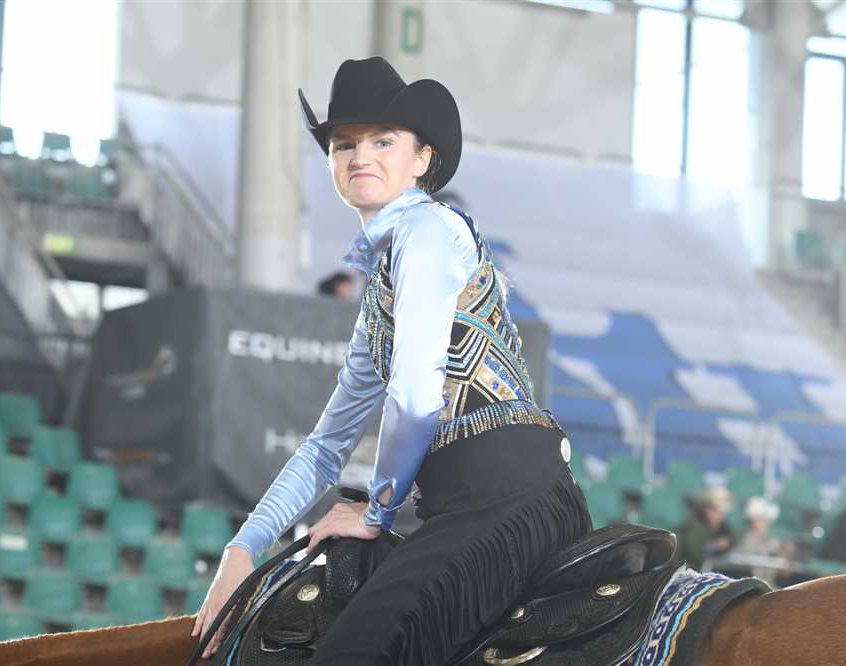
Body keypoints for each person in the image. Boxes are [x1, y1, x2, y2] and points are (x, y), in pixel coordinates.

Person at [191, 56, 591, 664]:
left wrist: (376, 512)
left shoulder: (427, 230)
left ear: (422, 159)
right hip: (466, 505)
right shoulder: (380, 298)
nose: (360, 156)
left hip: (503, 496)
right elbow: (325, 449)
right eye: (344, 144)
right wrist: (242, 549)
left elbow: (414, 394)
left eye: (383, 141)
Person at [676, 485, 737, 571]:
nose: (717, 514)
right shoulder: (695, 526)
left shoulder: (724, 527)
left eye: (720, 511)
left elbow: (733, 540)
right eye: (712, 509)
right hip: (690, 571)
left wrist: (727, 544)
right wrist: (713, 546)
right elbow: (693, 552)